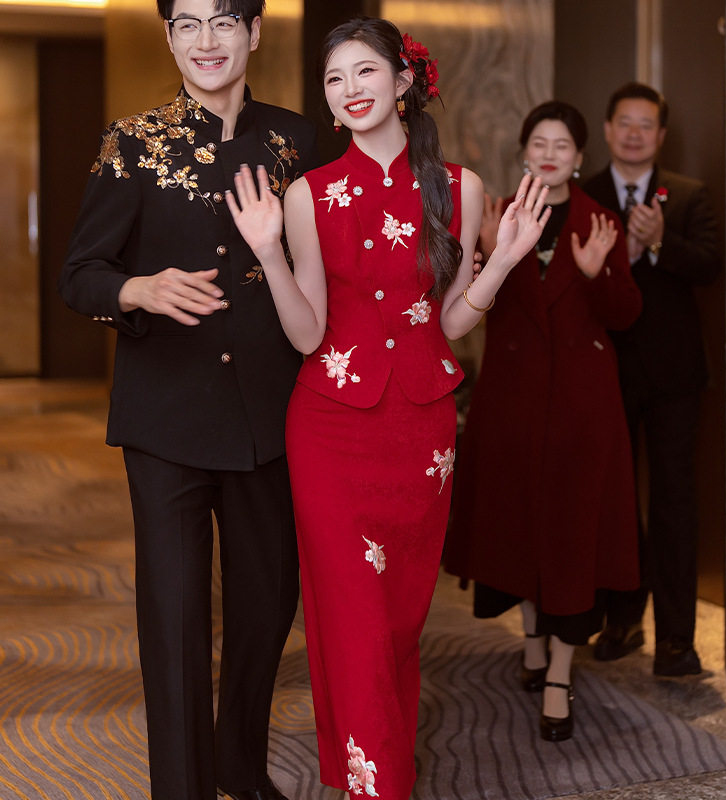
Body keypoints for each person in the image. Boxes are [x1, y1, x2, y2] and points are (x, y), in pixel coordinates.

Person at [223, 16, 550, 799]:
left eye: (364, 71)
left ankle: (362, 771)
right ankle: (383, 788)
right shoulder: (307, 195)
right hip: (330, 429)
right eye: (335, 79)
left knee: (397, 622)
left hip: (421, 432)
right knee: (354, 619)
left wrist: (503, 261)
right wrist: (268, 252)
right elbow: (307, 334)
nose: (350, 90)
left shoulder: (460, 189)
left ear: (403, 80)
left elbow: (450, 322)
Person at [58, 0, 317, 797]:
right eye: (188, 24)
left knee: (266, 608)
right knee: (173, 623)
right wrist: (136, 288)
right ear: (169, 37)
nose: (207, 40)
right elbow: (81, 275)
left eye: (224, 22)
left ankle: (239, 762)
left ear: (255, 32)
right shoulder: (133, 142)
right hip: (166, 418)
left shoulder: (300, 141)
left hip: (270, 418)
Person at [443, 101, 642, 742]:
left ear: (579, 157)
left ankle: (559, 673)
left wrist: (595, 275)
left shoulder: (601, 221)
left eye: (563, 145)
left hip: (584, 408)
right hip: (513, 402)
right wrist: (486, 256)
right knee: (520, 525)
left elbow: (625, 314)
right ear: (525, 151)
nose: (550, 153)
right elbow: (467, 305)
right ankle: (532, 639)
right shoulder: (497, 214)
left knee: (572, 536)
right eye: (540, 142)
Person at [582, 82, 722, 676]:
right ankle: (622, 621)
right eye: (625, 122)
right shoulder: (584, 196)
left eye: (646, 124)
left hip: (674, 377)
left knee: (674, 502)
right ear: (608, 129)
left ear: (661, 135)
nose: (635, 133)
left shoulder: (688, 195)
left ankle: (677, 640)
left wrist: (660, 241)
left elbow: (710, 266)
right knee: (612, 502)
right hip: (605, 370)